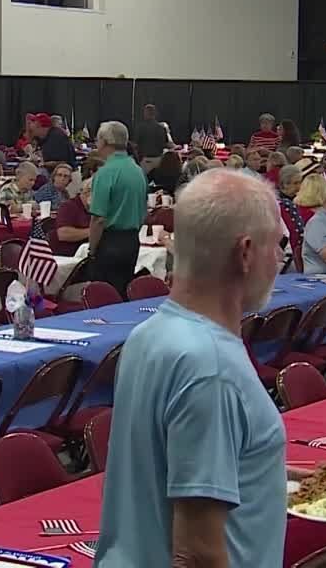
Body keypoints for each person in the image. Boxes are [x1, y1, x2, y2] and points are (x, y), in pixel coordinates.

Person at [95, 169, 286, 567]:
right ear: (246, 252)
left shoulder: (148, 335)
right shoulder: (212, 367)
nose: (281, 258)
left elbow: (164, 463)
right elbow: (197, 554)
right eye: (278, 244)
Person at [88, 121, 148, 297]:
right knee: (123, 292)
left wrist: (92, 250)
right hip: (131, 240)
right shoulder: (138, 171)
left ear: (104, 142)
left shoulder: (106, 173)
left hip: (110, 242)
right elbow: (144, 209)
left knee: (104, 296)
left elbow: (98, 218)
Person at [53, 177, 93, 256]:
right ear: (87, 192)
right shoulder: (68, 206)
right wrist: (95, 231)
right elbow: (63, 234)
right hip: (66, 256)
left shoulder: (94, 209)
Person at [134, 104, 171, 175]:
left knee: (145, 182)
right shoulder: (162, 128)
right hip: (159, 160)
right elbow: (166, 144)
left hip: (145, 160)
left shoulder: (140, 128)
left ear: (145, 113)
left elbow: (135, 145)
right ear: (155, 114)